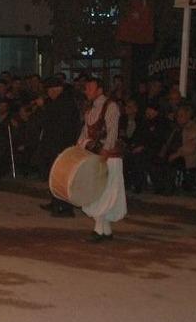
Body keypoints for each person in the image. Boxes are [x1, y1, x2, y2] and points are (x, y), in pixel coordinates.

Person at [77, 78, 127, 242]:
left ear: (99, 90)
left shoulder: (111, 106)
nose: (86, 91)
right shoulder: (90, 109)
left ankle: (99, 230)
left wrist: (105, 152)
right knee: (97, 191)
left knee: (105, 192)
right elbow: (85, 131)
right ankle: (105, 230)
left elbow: (112, 131)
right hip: (95, 156)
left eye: (90, 88)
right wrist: (78, 148)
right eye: (86, 88)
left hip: (109, 158)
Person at [35, 77, 81, 216]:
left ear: (55, 89)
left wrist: (44, 106)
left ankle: (64, 207)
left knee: (61, 177)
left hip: (61, 145)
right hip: (54, 144)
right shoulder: (58, 102)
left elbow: (56, 122)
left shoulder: (65, 102)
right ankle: (56, 202)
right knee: (54, 175)